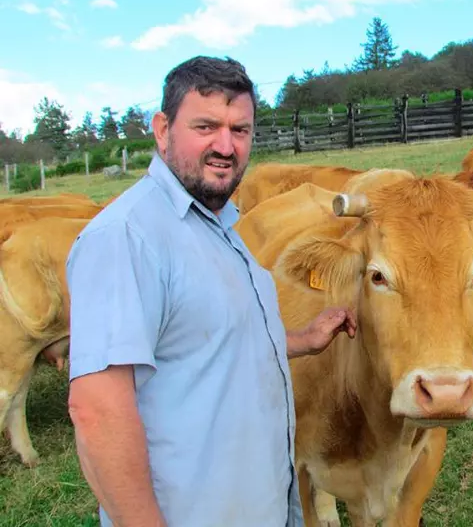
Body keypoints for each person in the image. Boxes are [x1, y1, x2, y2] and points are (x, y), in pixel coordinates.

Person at [66, 55, 357, 527]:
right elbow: (96, 410)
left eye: (239, 130)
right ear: (162, 130)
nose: (225, 145)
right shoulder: (127, 237)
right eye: (206, 126)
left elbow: (205, 337)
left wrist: (302, 340)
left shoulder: (219, 225)